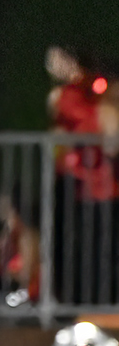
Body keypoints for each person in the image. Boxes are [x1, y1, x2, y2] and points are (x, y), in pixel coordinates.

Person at [47, 45, 119, 306]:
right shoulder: (68, 96)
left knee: (100, 247)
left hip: (100, 185)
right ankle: (78, 301)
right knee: (78, 246)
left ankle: (98, 301)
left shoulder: (96, 96)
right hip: (77, 184)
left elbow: (108, 138)